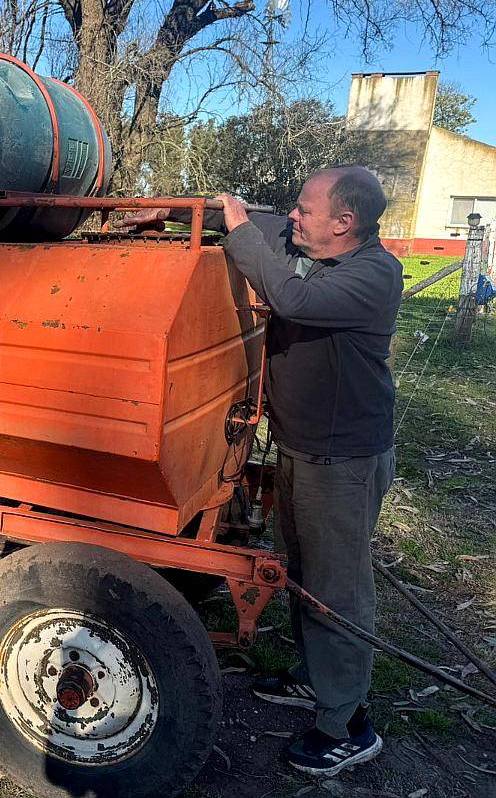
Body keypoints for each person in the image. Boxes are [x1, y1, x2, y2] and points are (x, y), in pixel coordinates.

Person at [129, 167, 403, 777]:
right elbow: (263, 226)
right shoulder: (318, 248)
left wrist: (236, 229)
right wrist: (174, 216)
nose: (295, 216)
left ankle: (346, 725)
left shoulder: (373, 276)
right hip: (304, 449)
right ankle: (317, 680)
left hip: (344, 461)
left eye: (306, 209)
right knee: (303, 572)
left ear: (344, 222)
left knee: (338, 589)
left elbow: (292, 297)